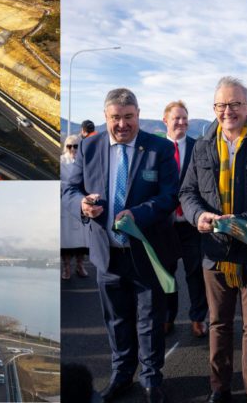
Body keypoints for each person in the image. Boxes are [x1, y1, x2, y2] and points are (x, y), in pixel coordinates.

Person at [63, 88, 179, 403]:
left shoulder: (160, 149)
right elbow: (70, 190)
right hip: (107, 254)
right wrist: (82, 205)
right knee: (116, 321)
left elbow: (170, 196)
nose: (122, 124)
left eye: (129, 117)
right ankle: (122, 375)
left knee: (150, 320)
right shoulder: (89, 146)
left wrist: (138, 214)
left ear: (138, 115)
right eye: (116, 118)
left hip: (146, 253)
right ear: (106, 117)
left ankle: (152, 379)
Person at [179, 76, 247, 403]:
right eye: (221, 105)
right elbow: (187, 192)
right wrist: (198, 215)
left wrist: (241, 224)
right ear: (214, 109)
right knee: (219, 325)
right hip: (215, 254)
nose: (227, 111)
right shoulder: (201, 146)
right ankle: (220, 389)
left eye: (235, 104)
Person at [162, 100, 207, 338]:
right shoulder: (157, 149)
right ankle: (168, 317)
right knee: (166, 273)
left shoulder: (198, 147)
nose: (181, 122)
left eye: (184, 118)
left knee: (196, 272)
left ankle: (198, 318)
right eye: (176, 118)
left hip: (192, 223)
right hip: (165, 225)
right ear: (165, 121)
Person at [61, 134, 89, 280]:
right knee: (65, 240)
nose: (72, 149)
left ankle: (80, 265)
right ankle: (66, 267)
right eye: (69, 146)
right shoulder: (61, 162)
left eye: (76, 146)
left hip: (82, 203)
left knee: (82, 241)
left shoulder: (86, 161)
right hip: (65, 203)